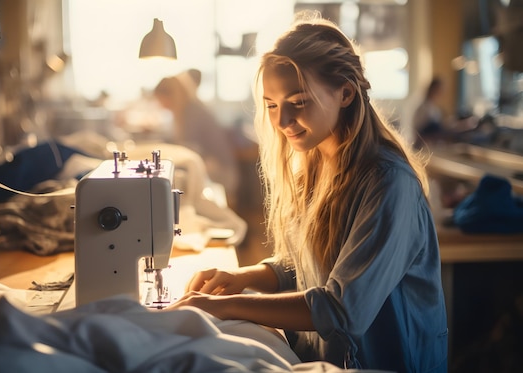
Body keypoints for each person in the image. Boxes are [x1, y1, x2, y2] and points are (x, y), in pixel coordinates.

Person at [168, 13, 448, 373]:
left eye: (298, 102)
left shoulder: (389, 184)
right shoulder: (315, 163)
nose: (282, 121)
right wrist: (245, 277)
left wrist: (224, 305)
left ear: (345, 92)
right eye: (271, 105)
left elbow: (341, 309)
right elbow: (307, 263)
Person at [153, 69, 239, 204]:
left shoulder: (192, 114)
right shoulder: (187, 110)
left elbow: (191, 151)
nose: (161, 106)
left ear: (171, 96)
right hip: (210, 165)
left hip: (221, 172)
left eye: (161, 101)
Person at [412, 76, 445, 146]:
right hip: (423, 145)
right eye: (438, 90)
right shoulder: (422, 108)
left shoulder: (435, 109)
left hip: (433, 144)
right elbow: (417, 131)